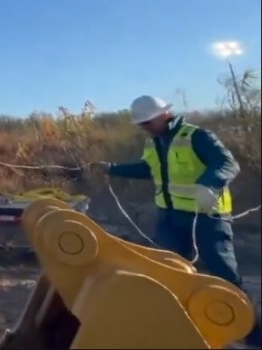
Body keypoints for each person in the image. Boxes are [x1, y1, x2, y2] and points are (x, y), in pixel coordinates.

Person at [94, 95, 260, 347]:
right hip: (170, 219)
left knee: (224, 275)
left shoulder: (197, 136)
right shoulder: (153, 144)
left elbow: (227, 163)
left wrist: (210, 184)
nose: (145, 127)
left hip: (206, 218)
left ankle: (254, 334)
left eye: (149, 122)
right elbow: (148, 169)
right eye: (142, 124)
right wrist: (112, 168)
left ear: (164, 114)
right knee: (169, 273)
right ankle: (181, 326)